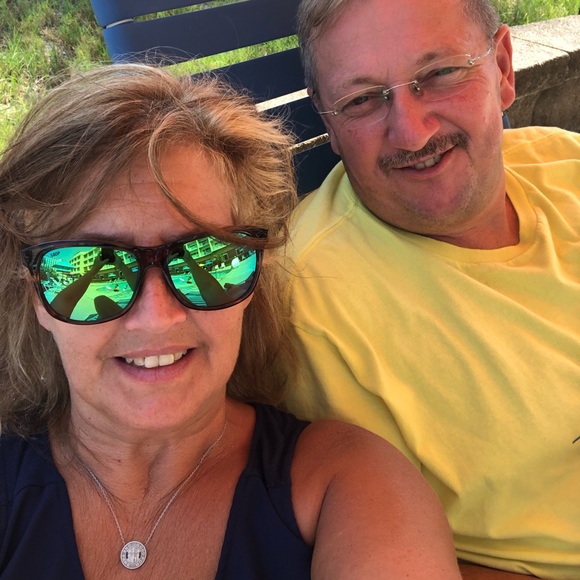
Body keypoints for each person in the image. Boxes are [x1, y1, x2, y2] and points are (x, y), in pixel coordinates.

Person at [0, 64, 461, 579]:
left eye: (210, 259)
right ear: (35, 293)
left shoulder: (348, 486)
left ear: (255, 276)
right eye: (92, 268)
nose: (156, 316)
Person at [281, 0, 580, 578]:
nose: (412, 132)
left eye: (440, 74)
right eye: (362, 100)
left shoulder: (563, 161)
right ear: (328, 123)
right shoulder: (312, 306)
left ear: (503, 67)